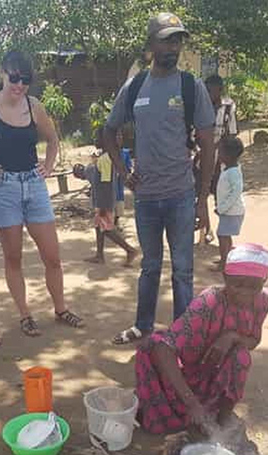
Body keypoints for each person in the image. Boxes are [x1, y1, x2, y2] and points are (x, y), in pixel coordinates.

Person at [103, 13, 216, 345]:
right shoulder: (135, 86)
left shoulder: (189, 86)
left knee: (183, 270)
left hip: (181, 195)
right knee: (150, 267)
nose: (173, 46)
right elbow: (109, 132)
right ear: (151, 44)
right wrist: (124, 173)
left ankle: (181, 336)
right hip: (147, 198)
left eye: (177, 39)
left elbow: (208, 144)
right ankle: (143, 326)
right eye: (166, 39)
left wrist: (202, 197)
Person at [0, 50, 84, 337]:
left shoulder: (34, 106)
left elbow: (53, 139)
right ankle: (25, 315)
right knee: (13, 257)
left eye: (25, 80)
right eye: (13, 78)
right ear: (1, 74)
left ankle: (61, 308)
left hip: (34, 183)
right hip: (3, 188)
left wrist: (49, 165)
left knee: (52, 256)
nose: (18, 85)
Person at [135, 243, 268, 435]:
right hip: (187, 370)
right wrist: (191, 403)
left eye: (254, 286)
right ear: (225, 278)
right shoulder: (208, 303)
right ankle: (190, 407)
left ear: (264, 282)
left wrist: (231, 337)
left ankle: (223, 419)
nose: (245, 292)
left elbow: (253, 341)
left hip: (212, 371)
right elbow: (164, 349)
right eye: (237, 284)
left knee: (241, 357)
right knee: (153, 346)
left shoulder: (263, 300)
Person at [72, 130, 139, 267]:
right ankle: (99, 255)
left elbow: (106, 183)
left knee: (106, 229)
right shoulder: (107, 157)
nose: (96, 141)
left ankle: (130, 250)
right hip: (104, 200)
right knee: (99, 227)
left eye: (98, 138)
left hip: (104, 201)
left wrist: (102, 206)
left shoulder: (105, 159)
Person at [197, 74, 238, 245]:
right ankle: (205, 231)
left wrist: (215, 148)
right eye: (206, 91)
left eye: (211, 91)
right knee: (201, 193)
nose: (208, 94)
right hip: (200, 158)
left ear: (220, 91)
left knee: (220, 196)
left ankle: (224, 236)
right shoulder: (199, 106)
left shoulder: (228, 108)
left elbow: (232, 134)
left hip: (220, 160)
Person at [214, 136, 245, 271]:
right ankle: (226, 259)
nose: (218, 154)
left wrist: (222, 208)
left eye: (220, 152)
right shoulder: (228, 168)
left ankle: (224, 263)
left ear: (229, 155)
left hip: (231, 211)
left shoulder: (233, 172)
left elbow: (236, 192)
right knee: (225, 235)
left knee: (222, 236)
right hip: (228, 210)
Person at [115, 130, 133, 226]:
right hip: (110, 185)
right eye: (117, 136)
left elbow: (129, 168)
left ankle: (116, 221)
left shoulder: (125, 153)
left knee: (119, 202)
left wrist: (125, 173)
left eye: (120, 136)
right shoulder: (108, 153)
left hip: (119, 184)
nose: (119, 138)